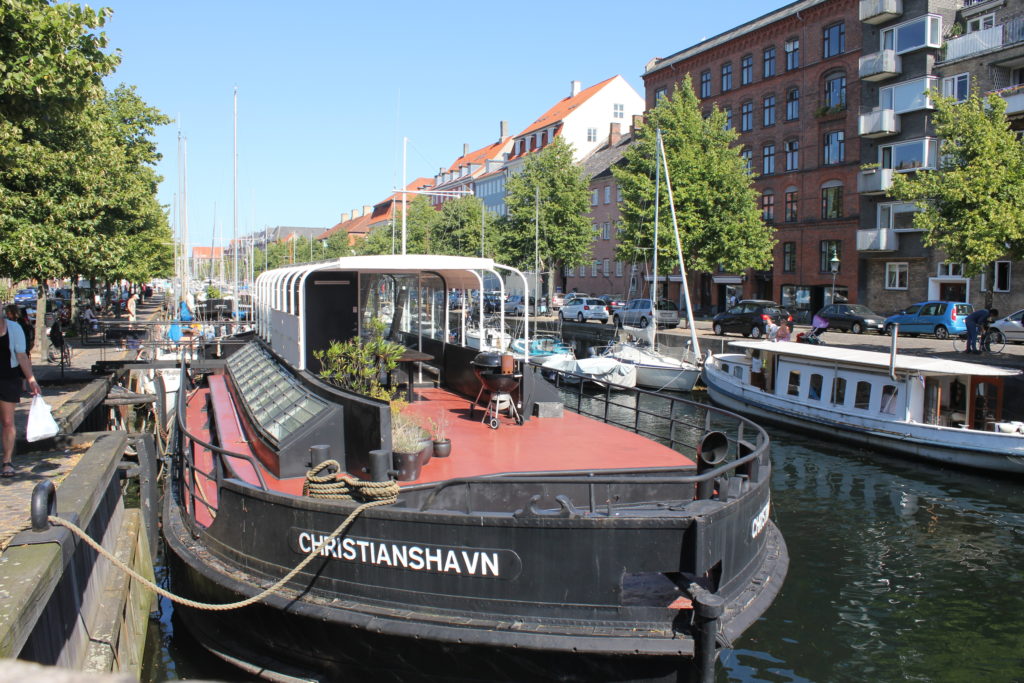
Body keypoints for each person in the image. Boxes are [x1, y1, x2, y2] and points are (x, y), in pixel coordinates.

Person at [0, 311, 41, 477]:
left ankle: (7, 461)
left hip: (8, 378)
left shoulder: (13, 328)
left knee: (8, 421)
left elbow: (22, 356)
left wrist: (31, 379)